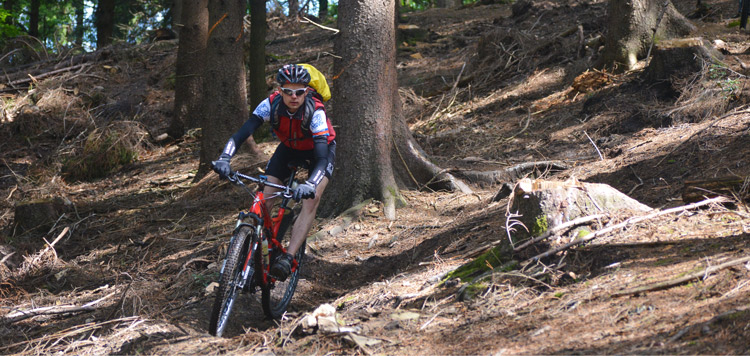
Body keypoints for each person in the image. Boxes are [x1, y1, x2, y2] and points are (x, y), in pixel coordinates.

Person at [212, 64, 336, 281]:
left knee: (312, 198)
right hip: (288, 149)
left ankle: (288, 257)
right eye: (288, 91)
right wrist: (224, 158)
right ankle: (258, 251)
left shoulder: (315, 112)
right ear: (280, 91)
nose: (294, 96)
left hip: (319, 152)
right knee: (266, 198)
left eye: (299, 91)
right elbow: (241, 134)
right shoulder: (270, 104)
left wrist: (310, 183)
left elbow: (323, 157)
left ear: (307, 91)